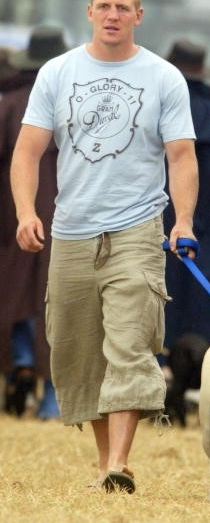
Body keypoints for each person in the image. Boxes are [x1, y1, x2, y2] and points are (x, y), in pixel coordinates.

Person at [10, 0, 198, 493]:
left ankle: (120, 460)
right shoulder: (58, 72)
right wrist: (26, 211)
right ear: (89, 13)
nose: (113, 15)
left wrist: (182, 221)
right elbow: (27, 151)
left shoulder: (163, 78)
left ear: (139, 16)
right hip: (71, 232)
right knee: (77, 353)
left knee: (129, 346)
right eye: (104, 6)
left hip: (137, 228)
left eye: (123, 7)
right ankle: (105, 466)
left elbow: (182, 156)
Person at [0, 27, 68, 420]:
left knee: (16, 298)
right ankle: (52, 397)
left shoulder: (9, 103)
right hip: (68, 214)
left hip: (15, 213)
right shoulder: (75, 99)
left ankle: (22, 360)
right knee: (60, 301)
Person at [162, 39, 210, 357]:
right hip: (209, 230)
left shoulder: (157, 105)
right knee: (204, 315)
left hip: (159, 224)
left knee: (159, 308)